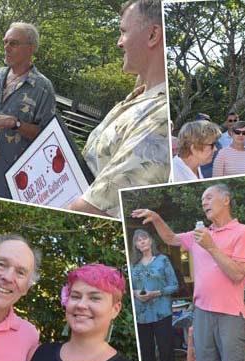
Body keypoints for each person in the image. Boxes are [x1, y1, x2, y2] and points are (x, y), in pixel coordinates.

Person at [132, 183, 245, 361]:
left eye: (208, 198)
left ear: (226, 200)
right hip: (201, 313)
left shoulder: (244, 231)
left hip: (230, 314)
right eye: (202, 201)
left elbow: (238, 274)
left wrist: (212, 247)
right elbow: (170, 238)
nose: (204, 203)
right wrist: (156, 218)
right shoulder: (200, 234)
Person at [67, 0, 169, 218]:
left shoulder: (161, 116)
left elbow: (98, 207)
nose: (119, 43)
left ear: (153, 35)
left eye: (123, 32)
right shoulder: (140, 96)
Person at [0, 22, 56, 198]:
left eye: (13, 43)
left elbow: (46, 137)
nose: (6, 47)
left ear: (31, 48)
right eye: (5, 42)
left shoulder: (43, 88)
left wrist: (15, 123)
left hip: (6, 181)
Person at [22, 264, 140, 361]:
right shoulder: (38, 353)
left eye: (95, 298)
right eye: (75, 296)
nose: (81, 305)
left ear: (115, 309)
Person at [130, 230, 178, 361]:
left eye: (144, 238)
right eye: (138, 240)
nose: (142, 241)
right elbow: (130, 287)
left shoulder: (163, 260)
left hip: (162, 313)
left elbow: (174, 285)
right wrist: (135, 293)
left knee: (166, 353)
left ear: (151, 241)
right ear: (136, 245)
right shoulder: (133, 265)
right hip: (141, 317)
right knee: (146, 357)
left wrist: (156, 293)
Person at [212, 121, 245, 186]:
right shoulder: (222, 153)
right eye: (237, 132)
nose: (241, 135)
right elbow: (216, 179)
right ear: (232, 133)